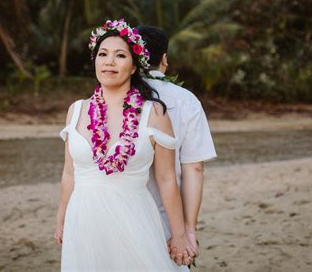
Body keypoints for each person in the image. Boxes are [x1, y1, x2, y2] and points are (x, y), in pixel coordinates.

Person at [53, 19, 196, 270]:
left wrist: (180, 234)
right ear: (95, 60)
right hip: (84, 221)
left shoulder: (155, 113)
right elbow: (69, 173)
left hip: (135, 220)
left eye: (120, 55)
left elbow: (166, 180)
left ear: (133, 67)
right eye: (103, 54)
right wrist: (61, 219)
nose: (109, 61)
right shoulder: (76, 110)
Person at [136, 25, 217, 259]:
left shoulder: (111, 98)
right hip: (168, 217)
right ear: (164, 59)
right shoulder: (186, 100)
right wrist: (188, 230)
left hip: (116, 210)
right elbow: (194, 168)